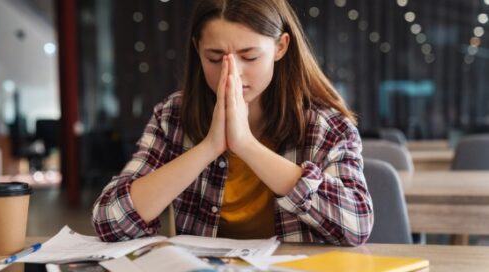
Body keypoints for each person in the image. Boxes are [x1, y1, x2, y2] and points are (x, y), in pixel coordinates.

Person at [93, 0, 373, 246]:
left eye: (249, 56)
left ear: (280, 47)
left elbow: (356, 225)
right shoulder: (172, 117)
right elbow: (109, 220)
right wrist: (208, 147)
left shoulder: (327, 126)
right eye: (215, 58)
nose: (233, 74)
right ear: (197, 50)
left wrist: (247, 145)